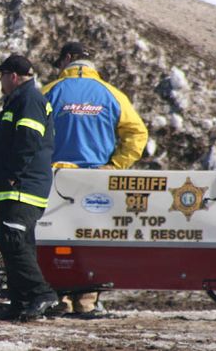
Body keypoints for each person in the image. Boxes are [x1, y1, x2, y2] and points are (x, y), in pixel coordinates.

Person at [43, 41, 148, 315]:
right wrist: (115, 165)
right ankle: (88, 300)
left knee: (57, 239)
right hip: (97, 178)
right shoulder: (112, 94)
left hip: (57, 178)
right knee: (91, 236)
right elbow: (137, 134)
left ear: (66, 59)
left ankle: (61, 299)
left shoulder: (50, 92)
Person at [0, 54, 58, 322]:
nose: (1, 81)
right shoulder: (21, 99)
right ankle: (20, 301)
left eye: (2, 75)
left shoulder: (29, 100)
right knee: (15, 243)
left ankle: (41, 294)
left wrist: (13, 175)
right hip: (15, 186)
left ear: (12, 76)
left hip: (22, 186)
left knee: (14, 241)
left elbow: (28, 140)